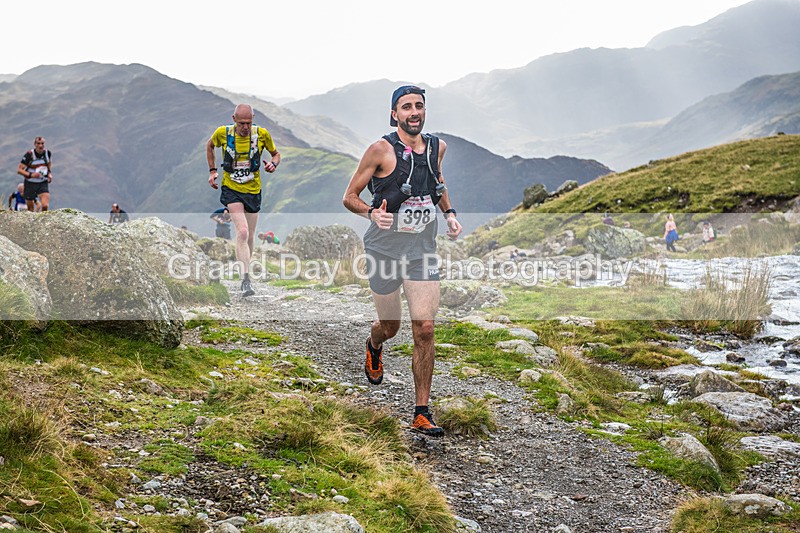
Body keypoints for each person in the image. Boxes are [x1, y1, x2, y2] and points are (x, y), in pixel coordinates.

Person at [342, 85, 462, 438]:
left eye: (419, 106)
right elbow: (350, 196)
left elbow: (437, 183)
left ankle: (421, 411)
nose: (414, 112)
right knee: (390, 325)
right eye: (406, 107)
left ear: (425, 111)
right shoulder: (380, 150)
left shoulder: (437, 146)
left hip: (422, 248)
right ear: (394, 113)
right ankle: (374, 343)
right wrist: (370, 213)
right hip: (383, 248)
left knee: (424, 328)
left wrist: (450, 214)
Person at [207, 104, 280, 297]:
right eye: (241, 123)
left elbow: (276, 154)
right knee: (242, 231)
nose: (245, 127)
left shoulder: (262, 134)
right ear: (234, 119)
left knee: (250, 235)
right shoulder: (223, 133)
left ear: (253, 119)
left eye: (248, 123)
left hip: (253, 190)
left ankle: (245, 268)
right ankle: (245, 280)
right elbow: (210, 145)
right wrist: (213, 171)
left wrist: (273, 164)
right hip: (231, 189)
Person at [17, 137, 52, 212]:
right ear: (35, 144)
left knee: (45, 206)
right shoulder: (29, 155)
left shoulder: (47, 153)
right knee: (30, 209)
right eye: (38, 143)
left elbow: (48, 164)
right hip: (30, 183)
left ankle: (43, 222)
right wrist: (31, 174)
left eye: (42, 143)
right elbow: (19, 170)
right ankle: (31, 223)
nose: (40, 146)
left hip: (42, 182)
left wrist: (49, 174)